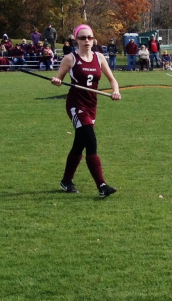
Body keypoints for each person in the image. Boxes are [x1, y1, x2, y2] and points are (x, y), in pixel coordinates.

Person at [51, 24, 122, 198]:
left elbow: (112, 80)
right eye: (82, 38)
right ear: (76, 40)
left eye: (89, 37)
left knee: (79, 144)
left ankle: (66, 181)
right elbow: (58, 78)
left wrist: (116, 91)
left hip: (92, 105)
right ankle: (102, 185)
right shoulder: (70, 58)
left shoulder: (99, 57)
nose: (87, 41)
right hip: (76, 105)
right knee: (91, 142)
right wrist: (57, 80)